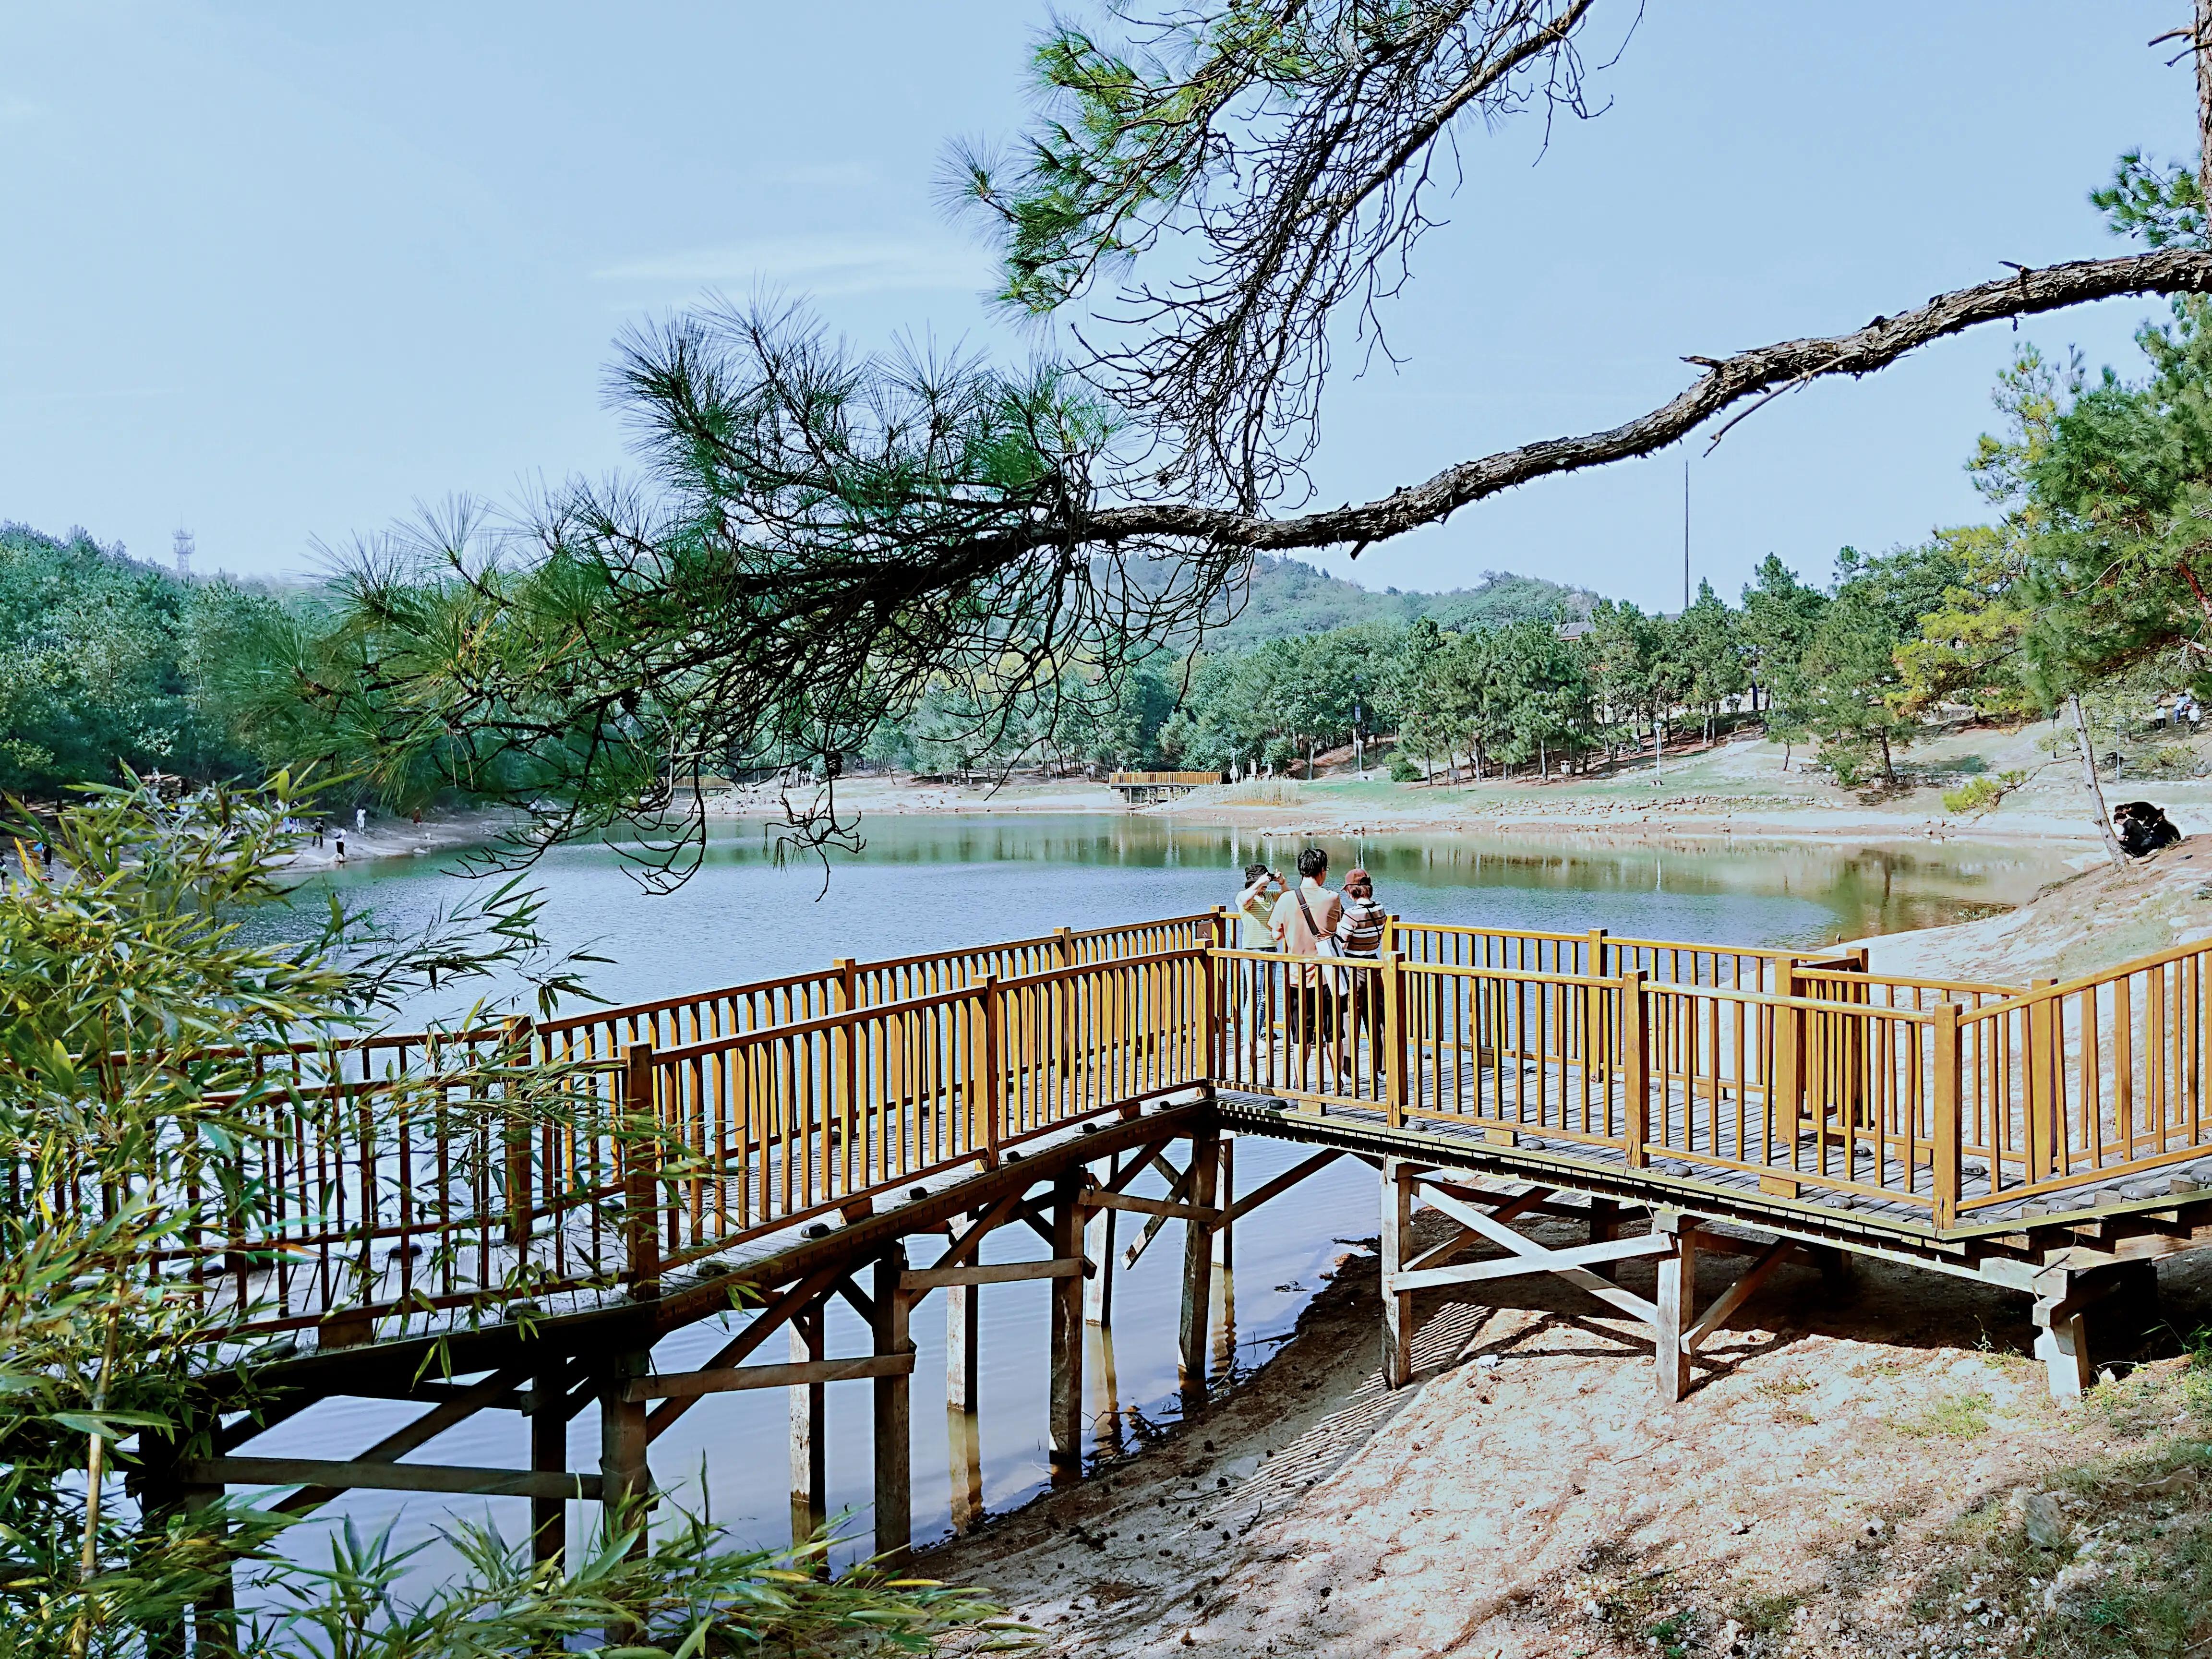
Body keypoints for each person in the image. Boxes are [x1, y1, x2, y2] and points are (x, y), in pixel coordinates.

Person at [1269, 846, 1343, 1059]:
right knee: (1333, 1034)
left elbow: (1276, 935)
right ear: (1322, 871)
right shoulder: (1332, 898)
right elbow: (1335, 926)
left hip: (1297, 976)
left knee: (1301, 1036)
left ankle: (1301, 1085)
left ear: (1302, 870)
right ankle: (1336, 1083)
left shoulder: (1285, 900)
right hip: (1328, 976)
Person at [1336, 867, 1388, 1067]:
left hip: (1354, 968)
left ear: (1352, 891)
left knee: (1350, 1019)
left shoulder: (1351, 914)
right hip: (1374, 966)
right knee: (1377, 1017)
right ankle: (1381, 1067)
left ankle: (1349, 1069)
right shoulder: (1380, 909)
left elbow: (1342, 943)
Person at [1233, 862, 1283, 950]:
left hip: (1271, 946)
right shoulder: (1242, 895)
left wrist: (1283, 882)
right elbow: (1246, 901)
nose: (1267, 882)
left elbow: (1287, 896)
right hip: (1253, 948)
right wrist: (1259, 882)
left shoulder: (1268, 894)